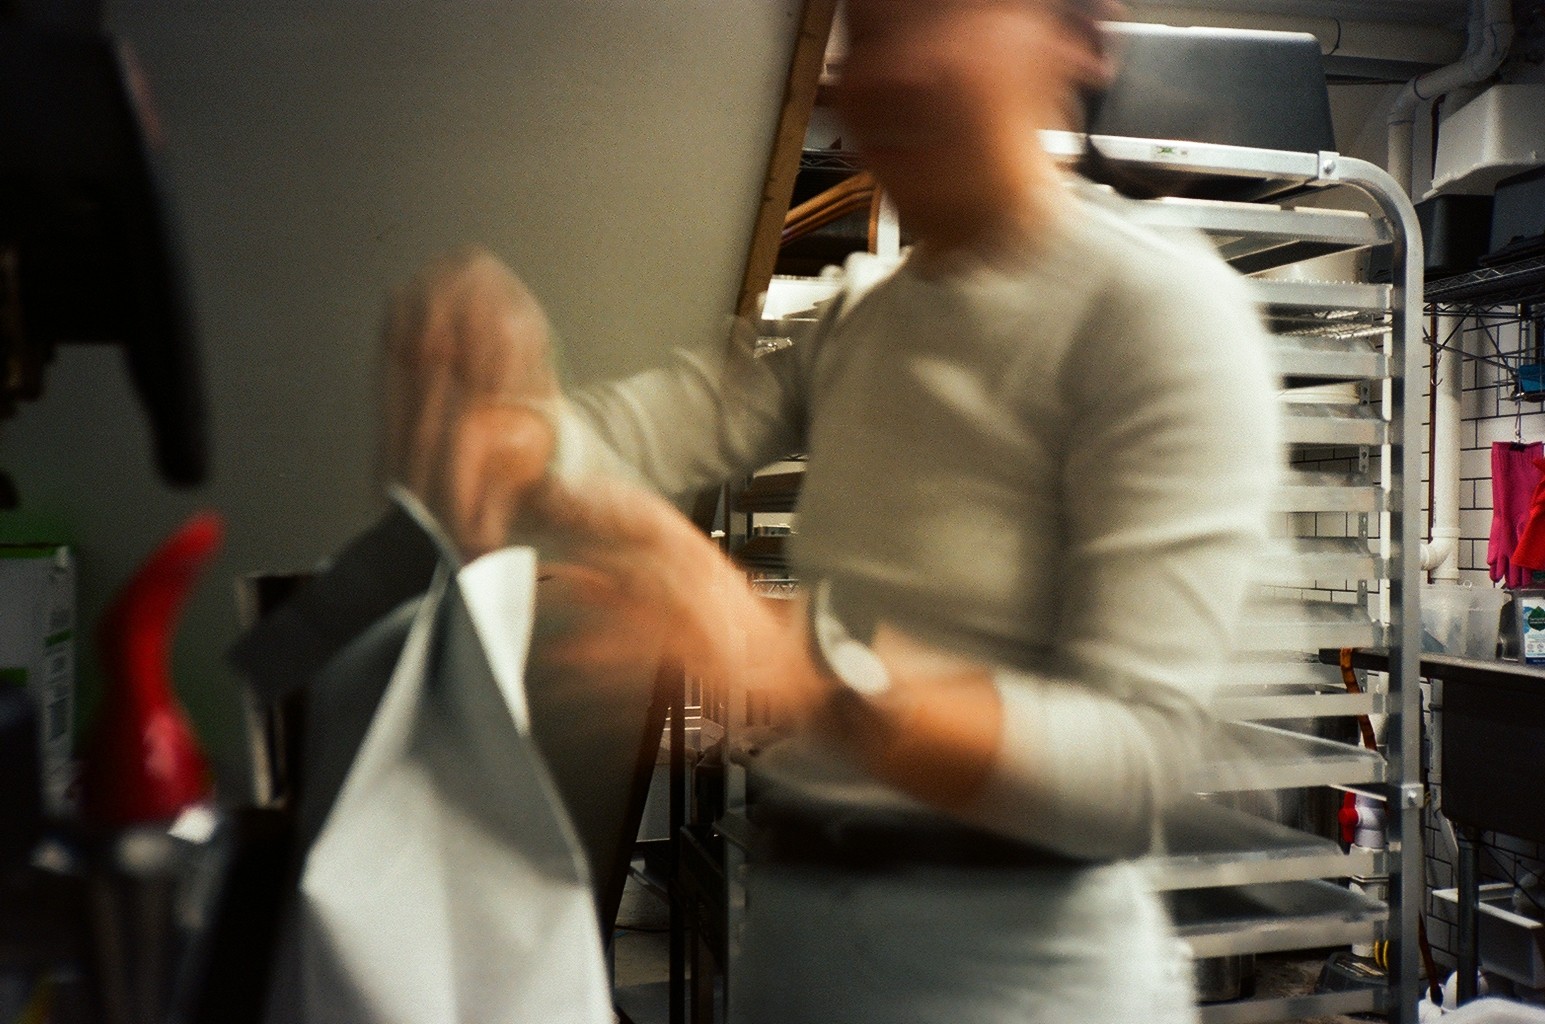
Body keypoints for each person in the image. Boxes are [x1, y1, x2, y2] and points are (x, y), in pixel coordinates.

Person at [384, 0, 1280, 1019]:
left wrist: (800, 668)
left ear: (1078, 33)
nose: (876, 70)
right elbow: (675, 422)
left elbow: (1136, 765)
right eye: (870, 27)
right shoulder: (864, 314)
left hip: (1013, 976)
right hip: (798, 940)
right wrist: (522, 433)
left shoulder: (1156, 310)